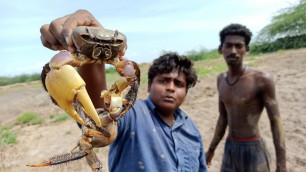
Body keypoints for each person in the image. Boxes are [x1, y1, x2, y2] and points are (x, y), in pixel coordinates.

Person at [40, 9, 208, 172]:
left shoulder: (191, 129)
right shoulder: (131, 115)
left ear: (187, 90)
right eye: (163, 81)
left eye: (179, 84)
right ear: (148, 85)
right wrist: (91, 52)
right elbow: (99, 125)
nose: (170, 88)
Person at [205, 23, 286, 172]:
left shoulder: (262, 79)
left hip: (254, 149)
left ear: (246, 50)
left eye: (239, 46)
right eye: (228, 46)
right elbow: (223, 118)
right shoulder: (221, 79)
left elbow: (276, 121)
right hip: (230, 148)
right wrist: (211, 149)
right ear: (220, 49)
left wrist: (282, 166)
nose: (233, 51)